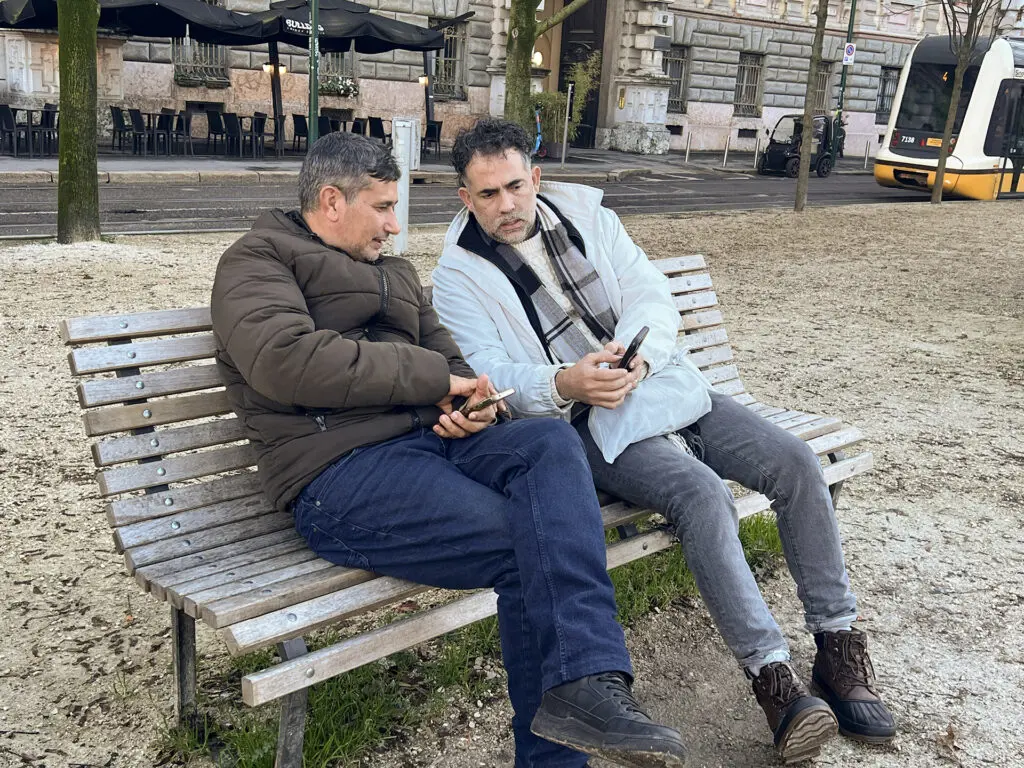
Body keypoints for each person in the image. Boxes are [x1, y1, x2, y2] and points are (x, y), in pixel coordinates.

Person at [210, 132, 687, 768]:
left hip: (431, 447)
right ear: (330, 201)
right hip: (338, 473)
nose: (393, 223)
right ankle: (560, 747)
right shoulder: (259, 260)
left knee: (545, 438)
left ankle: (589, 684)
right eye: (381, 207)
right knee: (527, 541)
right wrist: (436, 382)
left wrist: (473, 405)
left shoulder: (395, 273)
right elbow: (284, 362)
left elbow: (452, 362)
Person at [431, 118, 897, 763]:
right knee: (703, 496)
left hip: (661, 383)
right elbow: (489, 369)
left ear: (535, 177)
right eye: (487, 195)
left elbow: (649, 293)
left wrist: (641, 357)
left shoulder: (589, 215)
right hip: (584, 421)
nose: (506, 206)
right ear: (465, 197)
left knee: (793, 461)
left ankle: (838, 648)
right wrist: (564, 381)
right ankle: (776, 684)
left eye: (515, 186)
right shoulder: (457, 277)